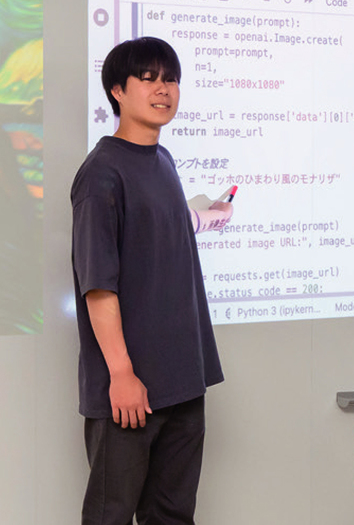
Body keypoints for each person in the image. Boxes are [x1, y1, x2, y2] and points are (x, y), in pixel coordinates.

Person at [71, 37, 232, 524]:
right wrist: (121, 375)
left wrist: (203, 217)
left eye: (171, 79)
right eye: (148, 78)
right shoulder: (100, 174)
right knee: (111, 515)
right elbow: (99, 285)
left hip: (183, 379)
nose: (163, 89)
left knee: (173, 515)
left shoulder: (163, 161)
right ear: (117, 90)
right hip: (131, 390)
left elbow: (157, 230)